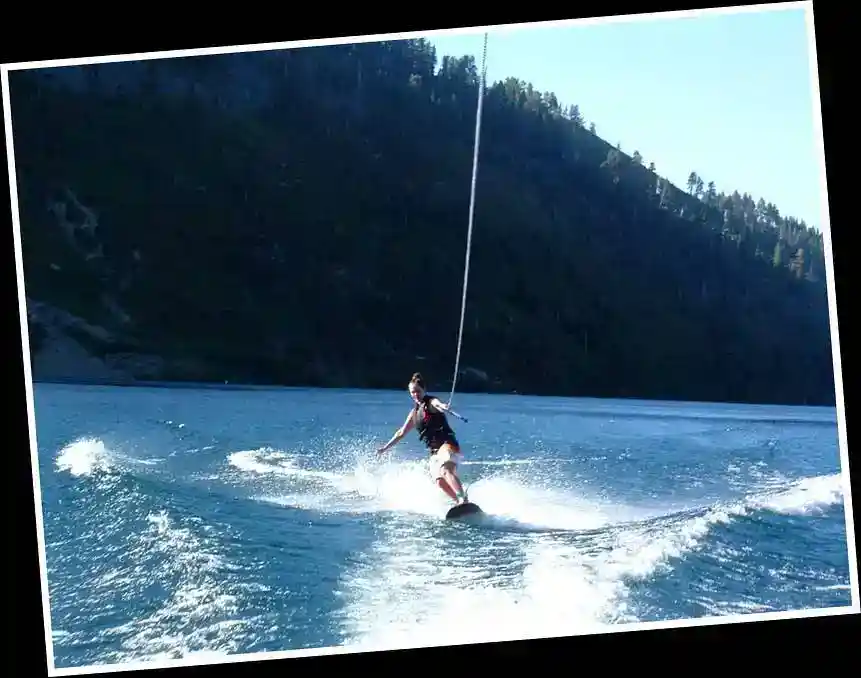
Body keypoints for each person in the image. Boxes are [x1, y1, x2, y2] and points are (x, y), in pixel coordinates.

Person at [376, 372, 470, 505]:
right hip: (434, 451)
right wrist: (385, 448)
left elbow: (438, 404)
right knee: (440, 481)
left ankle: (462, 498)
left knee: (446, 470)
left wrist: (443, 406)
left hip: (447, 444)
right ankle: (459, 503)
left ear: (424, 390)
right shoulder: (414, 413)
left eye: (418, 391)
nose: (415, 394)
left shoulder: (431, 402)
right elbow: (401, 433)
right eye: (412, 392)